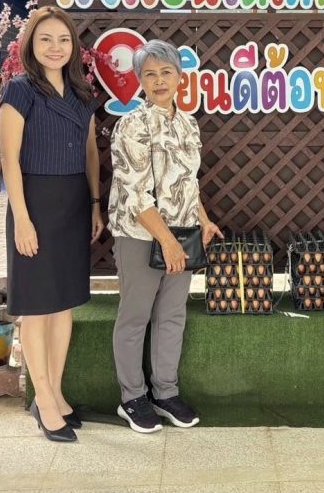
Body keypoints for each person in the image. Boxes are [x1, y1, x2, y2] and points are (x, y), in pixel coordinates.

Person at [0, 6, 104, 443]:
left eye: (63, 39)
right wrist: (22, 219)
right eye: (45, 39)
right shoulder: (19, 90)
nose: (55, 47)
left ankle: (55, 393)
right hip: (35, 205)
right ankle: (42, 399)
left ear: (73, 46)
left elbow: (91, 152)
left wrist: (94, 204)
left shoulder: (82, 93)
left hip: (73, 205)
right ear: (30, 45)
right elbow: (9, 159)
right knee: (37, 308)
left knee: (63, 306)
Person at [109, 39, 223, 433]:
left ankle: (165, 393)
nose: (159, 80)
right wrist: (168, 242)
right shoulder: (131, 125)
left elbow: (188, 182)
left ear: (179, 77)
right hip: (140, 235)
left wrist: (203, 220)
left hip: (183, 234)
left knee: (172, 315)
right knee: (135, 316)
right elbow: (136, 194)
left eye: (166, 72)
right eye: (150, 74)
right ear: (140, 81)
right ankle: (132, 398)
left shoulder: (188, 123)